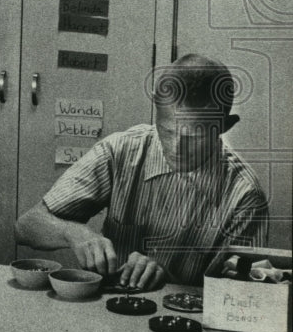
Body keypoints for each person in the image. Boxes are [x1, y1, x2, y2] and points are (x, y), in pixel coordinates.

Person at [15, 53, 270, 289]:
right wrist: (73, 232)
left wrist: (165, 279)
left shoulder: (245, 196)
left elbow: (239, 301)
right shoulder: (121, 151)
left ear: (225, 126)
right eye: (167, 131)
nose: (176, 148)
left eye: (193, 136)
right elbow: (25, 227)